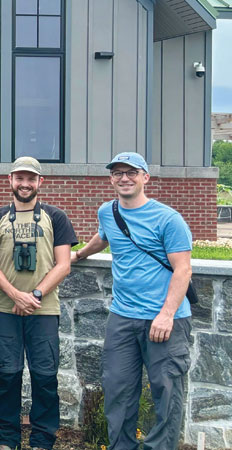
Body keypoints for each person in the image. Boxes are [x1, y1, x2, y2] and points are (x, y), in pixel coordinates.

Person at [74, 152, 194, 450]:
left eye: (131, 172)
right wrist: (78, 256)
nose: (124, 178)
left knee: (166, 392)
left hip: (166, 319)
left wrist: (166, 314)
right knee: (117, 390)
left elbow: (183, 269)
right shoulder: (108, 211)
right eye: (118, 173)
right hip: (122, 317)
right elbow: (103, 237)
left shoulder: (168, 219)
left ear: (145, 178)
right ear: (111, 178)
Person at [0, 157, 76, 450]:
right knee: (8, 375)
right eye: (19, 178)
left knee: (45, 376)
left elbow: (63, 265)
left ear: (40, 182)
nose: (25, 184)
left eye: (31, 179)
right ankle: (8, 440)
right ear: (10, 180)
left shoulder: (55, 216)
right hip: (6, 309)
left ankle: (41, 441)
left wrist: (34, 295)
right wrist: (15, 295)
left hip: (43, 310)